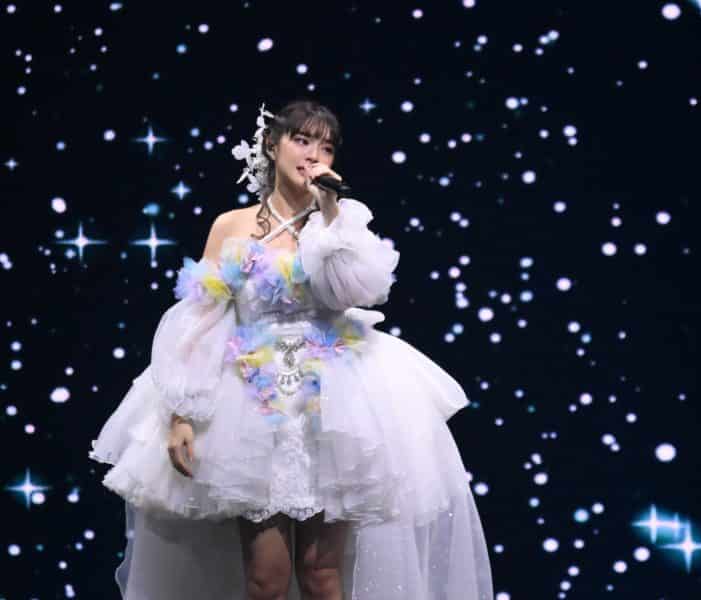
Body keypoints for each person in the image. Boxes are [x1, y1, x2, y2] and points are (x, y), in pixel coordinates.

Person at [89, 98, 494, 599]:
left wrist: (331, 215)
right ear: (271, 145)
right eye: (301, 140)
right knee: (267, 579)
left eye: (326, 146)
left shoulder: (340, 224)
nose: (313, 155)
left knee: (322, 575)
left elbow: (354, 292)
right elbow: (200, 320)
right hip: (252, 402)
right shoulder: (231, 225)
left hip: (334, 401)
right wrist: (182, 413)